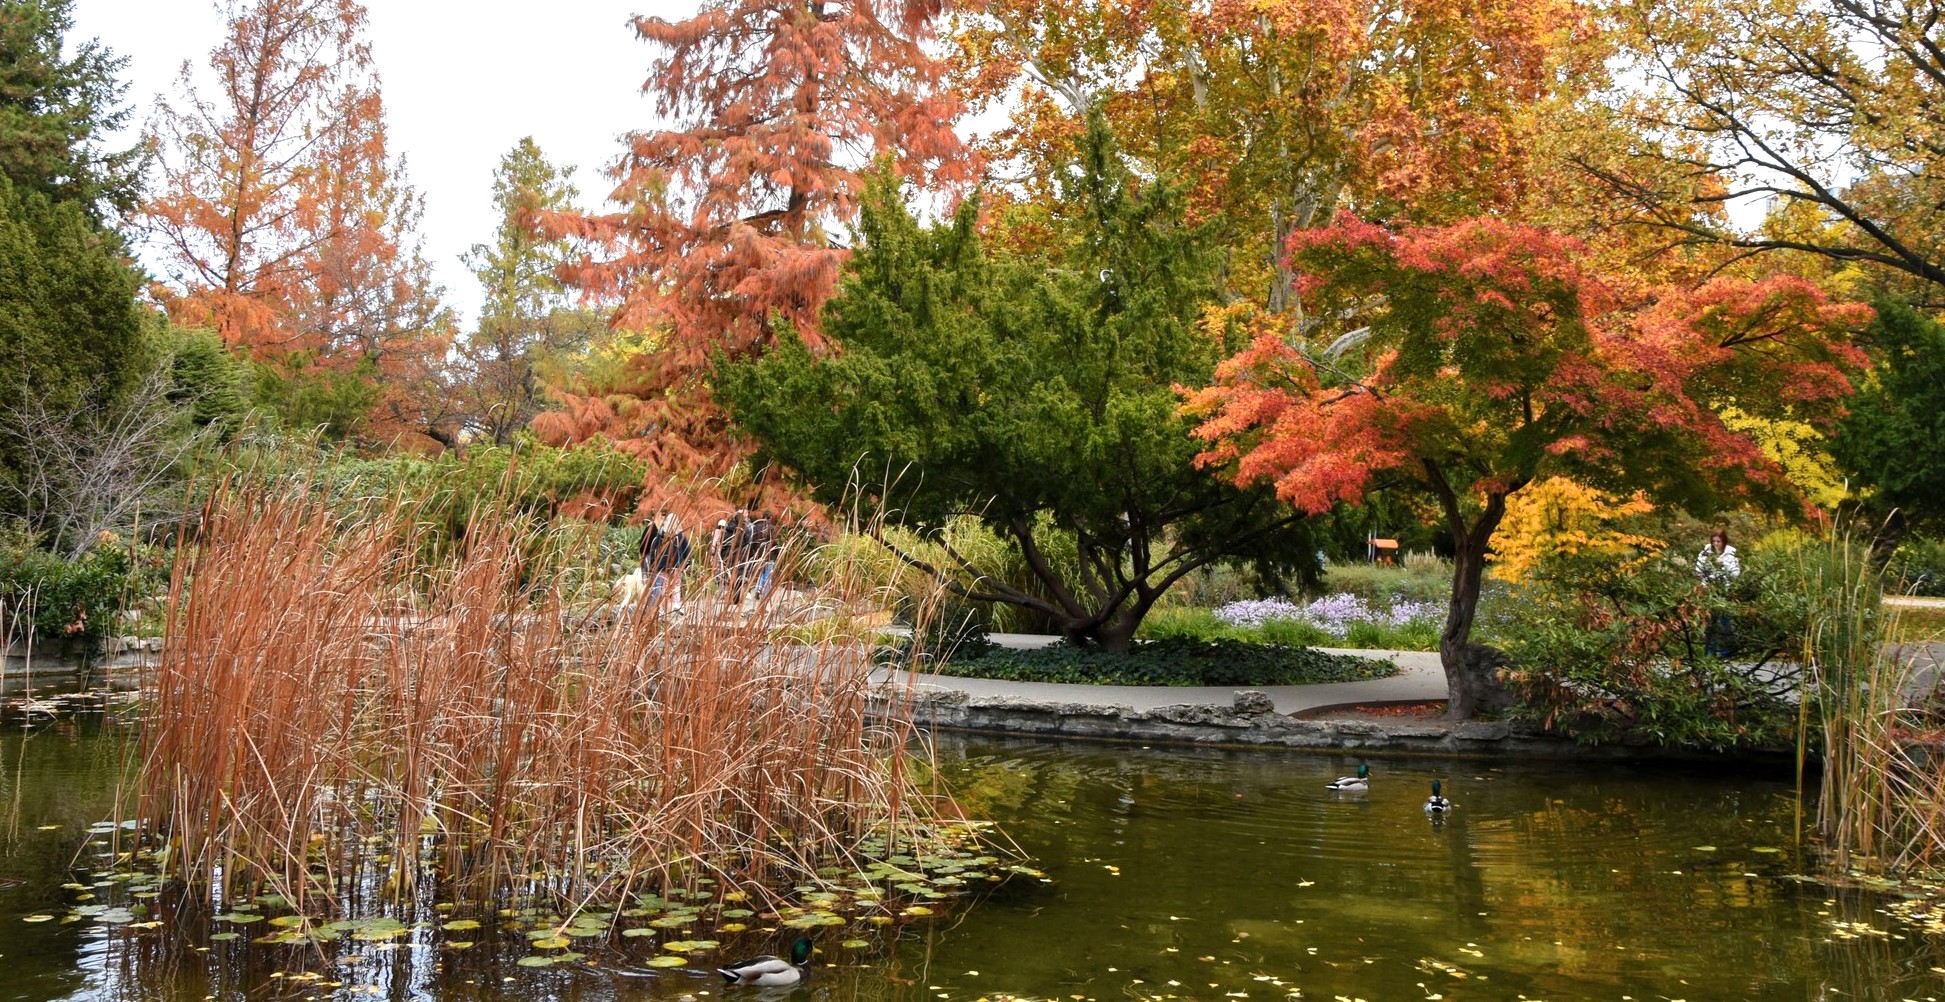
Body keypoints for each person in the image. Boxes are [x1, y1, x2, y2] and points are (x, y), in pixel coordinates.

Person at [1695, 528, 1740, 656]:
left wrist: (1723, 565)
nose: (1716, 544)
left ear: (1724, 542)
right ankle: (1710, 651)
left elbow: (1735, 573)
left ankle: (1727, 652)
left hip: (1723, 590)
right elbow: (1698, 570)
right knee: (1710, 622)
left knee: (1724, 620)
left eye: (1718, 541)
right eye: (1714, 541)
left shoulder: (1731, 554)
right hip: (1708, 590)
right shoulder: (1705, 553)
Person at [640, 511, 690, 614]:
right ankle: (676, 604)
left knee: (664, 587)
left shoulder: (661, 535)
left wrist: (653, 562)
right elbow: (687, 551)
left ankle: (663, 608)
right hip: (677, 565)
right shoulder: (680, 536)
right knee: (676, 585)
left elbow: (654, 549)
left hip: (662, 566)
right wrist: (686, 563)